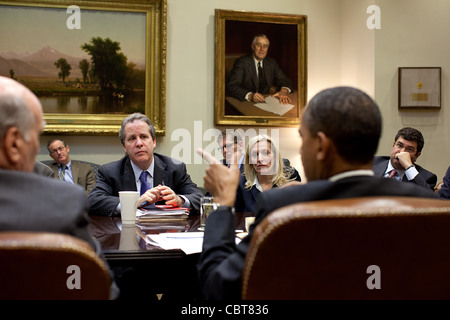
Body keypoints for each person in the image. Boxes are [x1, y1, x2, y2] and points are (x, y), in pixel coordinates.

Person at [197, 86, 438, 300]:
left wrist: (224, 203)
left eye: (303, 139)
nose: (301, 151)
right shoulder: (424, 205)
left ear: (321, 146)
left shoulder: (286, 206)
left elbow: (219, 288)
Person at [0, 76, 118, 299]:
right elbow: (99, 287)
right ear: (13, 143)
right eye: (35, 135)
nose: (37, 148)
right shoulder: (64, 202)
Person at [88, 112, 203, 216]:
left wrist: (179, 200)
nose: (139, 143)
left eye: (143, 137)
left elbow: (200, 198)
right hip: (127, 232)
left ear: (153, 142)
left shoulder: (175, 168)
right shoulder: (111, 172)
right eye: (132, 138)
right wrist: (133, 203)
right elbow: (93, 201)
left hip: (164, 232)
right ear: (124, 147)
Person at [234, 134, 301, 213]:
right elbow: (236, 218)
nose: (260, 159)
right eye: (255, 155)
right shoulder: (241, 183)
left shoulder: (291, 177)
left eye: (265, 153)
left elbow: (298, 213)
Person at [226, 34, 292, 104]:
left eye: (265, 46)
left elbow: (285, 80)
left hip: (265, 102)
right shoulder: (241, 62)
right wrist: (250, 96)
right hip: (246, 103)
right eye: (258, 45)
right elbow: (232, 86)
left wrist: (283, 91)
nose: (262, 49)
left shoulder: (271, 63)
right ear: (252, 47)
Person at [372, 127, 437, 191]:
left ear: (417, 155)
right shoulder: (372, 163)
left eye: (409, 149)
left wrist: (408, 166)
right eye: (399, 145)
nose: (402, 152)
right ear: (393, 145)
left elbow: (428, 198)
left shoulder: (427, 178)